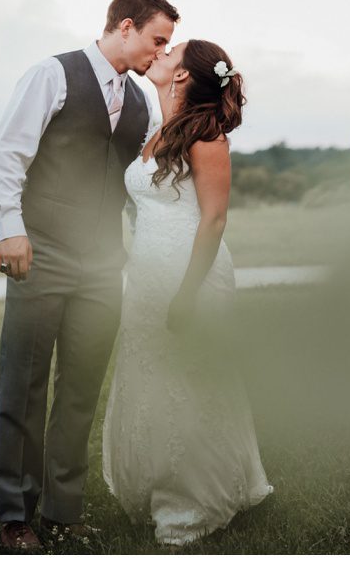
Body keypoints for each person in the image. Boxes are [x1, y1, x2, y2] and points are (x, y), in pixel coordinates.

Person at [0, 0, 179, 552]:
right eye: (156, 40)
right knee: (24, 385)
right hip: (40, 250)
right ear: (124, 27)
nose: (160, 52)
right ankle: (15, 516)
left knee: (81, 387)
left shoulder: (139, 101)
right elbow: (6, 157)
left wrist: (165, 91)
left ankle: (63, 512)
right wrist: (9, 228)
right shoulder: (53, 75)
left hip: (102, 263)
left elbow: (148, 174)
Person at [101, 39, 273, 547]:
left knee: (193, 380)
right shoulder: (158, 132)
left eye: (170, 51)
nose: (160, 53)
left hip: (189, 273)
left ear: (181, 77)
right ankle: (157, 485)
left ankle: (193, 502)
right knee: (152, 376)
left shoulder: (207, 137)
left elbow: (214, 219)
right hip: (148, 273)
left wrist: (188, 293)